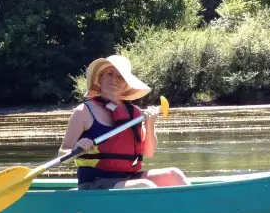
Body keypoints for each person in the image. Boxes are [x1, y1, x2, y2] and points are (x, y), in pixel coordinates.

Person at [58, 54, 190, 190]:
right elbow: (62, 154)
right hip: (94, 182)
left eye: (120, 76)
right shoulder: (83, 112)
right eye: (110, 74)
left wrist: (150, 123)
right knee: (144, 186)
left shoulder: (135, 113)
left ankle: (199, 208)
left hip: (128, 178)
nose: (114, 80)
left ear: (126, 84)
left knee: (174, 174)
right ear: (100, 79)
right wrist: (77, 149)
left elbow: (149, 152)